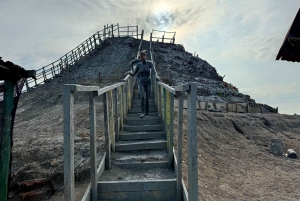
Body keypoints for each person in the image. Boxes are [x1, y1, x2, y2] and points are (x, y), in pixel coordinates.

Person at [126, 50, 159, 118]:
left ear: (145, 57)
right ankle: (143, 113)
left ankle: (147, 114)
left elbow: (154, 71)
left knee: (147, 99)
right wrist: (130, 73)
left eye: (143, 57)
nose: (142, 59)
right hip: (141, 82)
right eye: (140, 58)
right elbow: (134, 74)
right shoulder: (138, 65)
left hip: (148, 82)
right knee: (142, 97)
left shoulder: (150, 63)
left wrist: (156, 77)